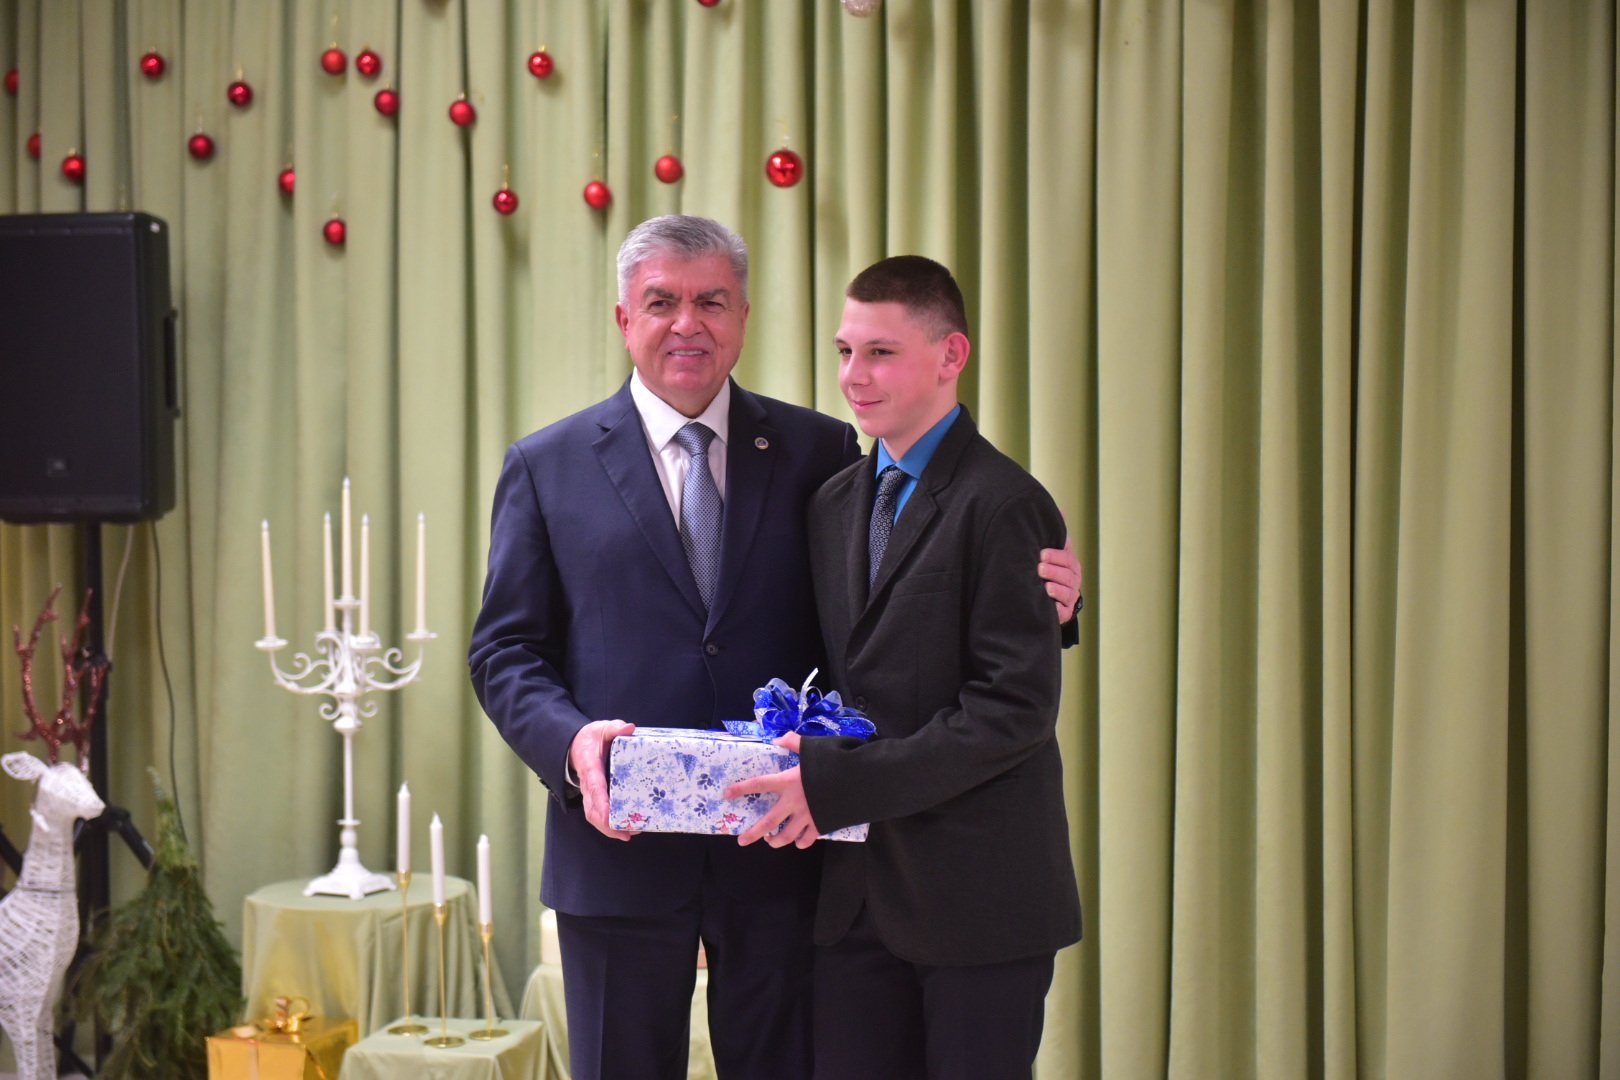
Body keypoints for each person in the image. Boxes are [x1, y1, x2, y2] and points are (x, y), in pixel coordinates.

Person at [468, 217, 1081, 1080]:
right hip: (620, 853)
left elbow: (897, 598)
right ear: (623, 317)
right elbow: (504, 650)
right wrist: (569, 745)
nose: (688, 323)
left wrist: (1052, 597)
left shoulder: (822, 453)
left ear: (745, 316)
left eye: (712, 301)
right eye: (662, 302)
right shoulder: (546, 465)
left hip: (787, 859)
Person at [728, 255, 1083, 1080]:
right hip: (853, 902)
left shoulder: (1007, 502)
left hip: (980, 903)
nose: (854, 376)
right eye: (845, 351)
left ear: (951, 355)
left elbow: (1012, 714)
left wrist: (835, 784)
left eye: (881, 353)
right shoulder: (832, 503)